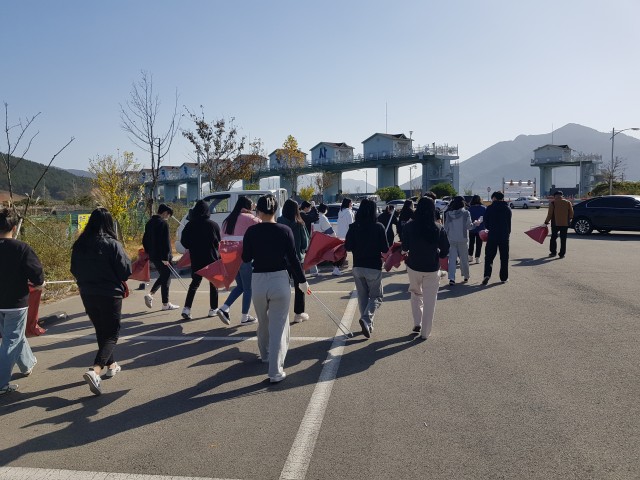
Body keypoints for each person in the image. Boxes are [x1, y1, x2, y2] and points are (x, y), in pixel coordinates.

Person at [242, 194, 308, 383]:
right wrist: (302, 280)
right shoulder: (285, 230)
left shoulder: (251, 232)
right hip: (280, 279)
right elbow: (293, 259)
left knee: (263, 322)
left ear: (259, 211)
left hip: (259, 280)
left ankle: (265, 355)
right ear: (275, 210)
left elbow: (246, 258)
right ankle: (275, 371)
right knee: (279, 326)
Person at [71, 208, 132, 396]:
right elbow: (125, 271)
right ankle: (95, 370)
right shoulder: (112, 244)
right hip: (110, 293)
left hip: (88, 293)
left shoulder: (80, 244)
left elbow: (74, 269)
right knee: (112, 334)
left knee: (101, 330)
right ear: (108, 223)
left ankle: (111, 364)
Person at [0, 209, 45, 395]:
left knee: (13, 336)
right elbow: (37, 275)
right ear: (14, 226)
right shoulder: (21, 248)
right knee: (12, 339)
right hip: (15, 303)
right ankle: (1, 382)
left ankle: (27, 364)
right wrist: (40, 283)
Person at [401, 197, 449, 340]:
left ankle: (417, 322)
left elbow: (405, 247)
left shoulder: (409, 226)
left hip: (414, 266)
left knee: (415, 294)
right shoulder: (438, 227)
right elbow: (445, 249)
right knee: (430, 300)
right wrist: (439, 253)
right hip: (432, 268)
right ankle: (425, 332)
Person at [344, 199, 388, 339]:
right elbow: (385, 248)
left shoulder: (353, 227)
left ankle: (368, 324)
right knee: (376, 296)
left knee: (362, 297)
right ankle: (367, 320)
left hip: (357, 266)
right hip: (373, 267)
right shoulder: (379, 227)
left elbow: (348, 247)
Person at [217, 196, 260, 325]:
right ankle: (245, 316)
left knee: (241, 286)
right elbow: (263, 228)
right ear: (248, 206)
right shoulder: (250, 218)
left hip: (229, 258)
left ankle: (224, 308)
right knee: (248, 287)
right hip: (244, 256)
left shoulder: (227, 220)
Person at [179, 200, 224, 323]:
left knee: (194, 284)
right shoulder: (213, 225)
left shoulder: (190, 225)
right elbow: (218, 241)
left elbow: (184, 243)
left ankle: (187, 309)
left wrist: (193, 246)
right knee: (213, 284)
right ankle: (213, 308)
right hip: (211, 258)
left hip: (196, 258)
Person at [277, 199, 310, 323]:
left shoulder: (278, 222)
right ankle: (298, 314)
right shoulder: (299, 223)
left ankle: (280, 312)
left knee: (282, 287)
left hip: (281, 260)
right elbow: (305, 243)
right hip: (297, 260)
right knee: (300, 286)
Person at [143, 203, 178, 311]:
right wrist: (166, 258)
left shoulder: (149, 223)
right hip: (163, 257)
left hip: (153, 256)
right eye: (168, 215)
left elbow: (144, 240)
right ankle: (165, 304)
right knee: (166, 278)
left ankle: (150, 294)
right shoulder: (163, 224)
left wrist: (149, 252)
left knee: (164, 275)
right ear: (165, 213)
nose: (168, 217)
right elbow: (166, 243)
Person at [482, 191, 512, 285]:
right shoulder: (507, 208)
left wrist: (489, 228)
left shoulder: (489, 208)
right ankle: (504, 277)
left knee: (489, 257)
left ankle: (487, 274)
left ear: (494, 198)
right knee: (504, 257)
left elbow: (485, 223)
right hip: (504, 236)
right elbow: (509, 222)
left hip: (492, 235)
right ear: (502, 198)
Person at [443, 196, 474, 285]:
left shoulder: (448, 214)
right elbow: (469, 226)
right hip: (463, 239)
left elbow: (446, 228)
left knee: (452, 260)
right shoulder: (466, 213)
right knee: (464, 259)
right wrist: (475, 224)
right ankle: (465, 276)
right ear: (463, 203)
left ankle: (452, 278)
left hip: (451, 239)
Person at [544, 190, 574, 259]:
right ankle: (562, 254)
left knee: (553, 238)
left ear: (555, 196)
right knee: (563, 239)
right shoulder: (567, 202)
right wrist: (569, 219)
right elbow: (571, 213)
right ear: (562, 195)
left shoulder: (553, 203)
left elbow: (550, 214)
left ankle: (553, 252)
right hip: (565, 224)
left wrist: (546, 222)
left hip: (555, 224)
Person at [335, 197, 354, 276]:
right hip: (348, 235)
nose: (352, 204)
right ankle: (355, 267)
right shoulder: (349, 212)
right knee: (353, 251)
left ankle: (336, 267)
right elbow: (351, 225)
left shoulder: (340, 212)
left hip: (340, 235)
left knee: (341, 252)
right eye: (351, 203)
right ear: (348, 203)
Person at [300, 200, 319, 276]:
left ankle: (313, 270)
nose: (309, 209)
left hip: (305, 237)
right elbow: (315, 217)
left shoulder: (301, 214)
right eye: (309, 207)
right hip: (305, 237)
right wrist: (314, 207)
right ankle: (313, 271)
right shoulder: (302, 215)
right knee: (310, 254)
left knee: (309, 254)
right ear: (305, 208)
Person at [467, 195, 487, 264]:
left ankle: (470, 256)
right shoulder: (483, 208)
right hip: (481, 229)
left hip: (472, 228)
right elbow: (485, 218)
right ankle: (477, 258)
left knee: (471, 243)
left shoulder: (470, 209)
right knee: (479, 244)